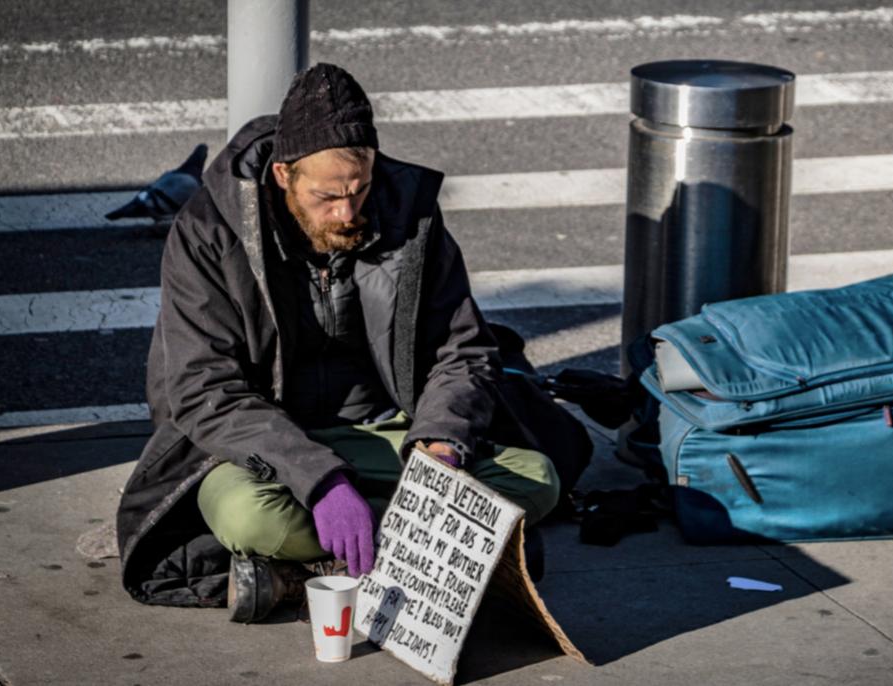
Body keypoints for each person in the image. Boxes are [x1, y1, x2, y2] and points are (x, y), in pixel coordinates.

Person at [115, 63, 590, 622]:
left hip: (385, 432)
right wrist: (320, 480)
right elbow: (203, 390)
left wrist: (440, 444)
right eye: (327, 196)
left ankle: (308, 573)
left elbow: (462, 350)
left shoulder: (408, 213)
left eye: (359, 189)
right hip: (264, 448)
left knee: (537, 480)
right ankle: (451, 558)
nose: (347, 212)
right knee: (250, 518)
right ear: (284, 175)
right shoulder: (208, 232)